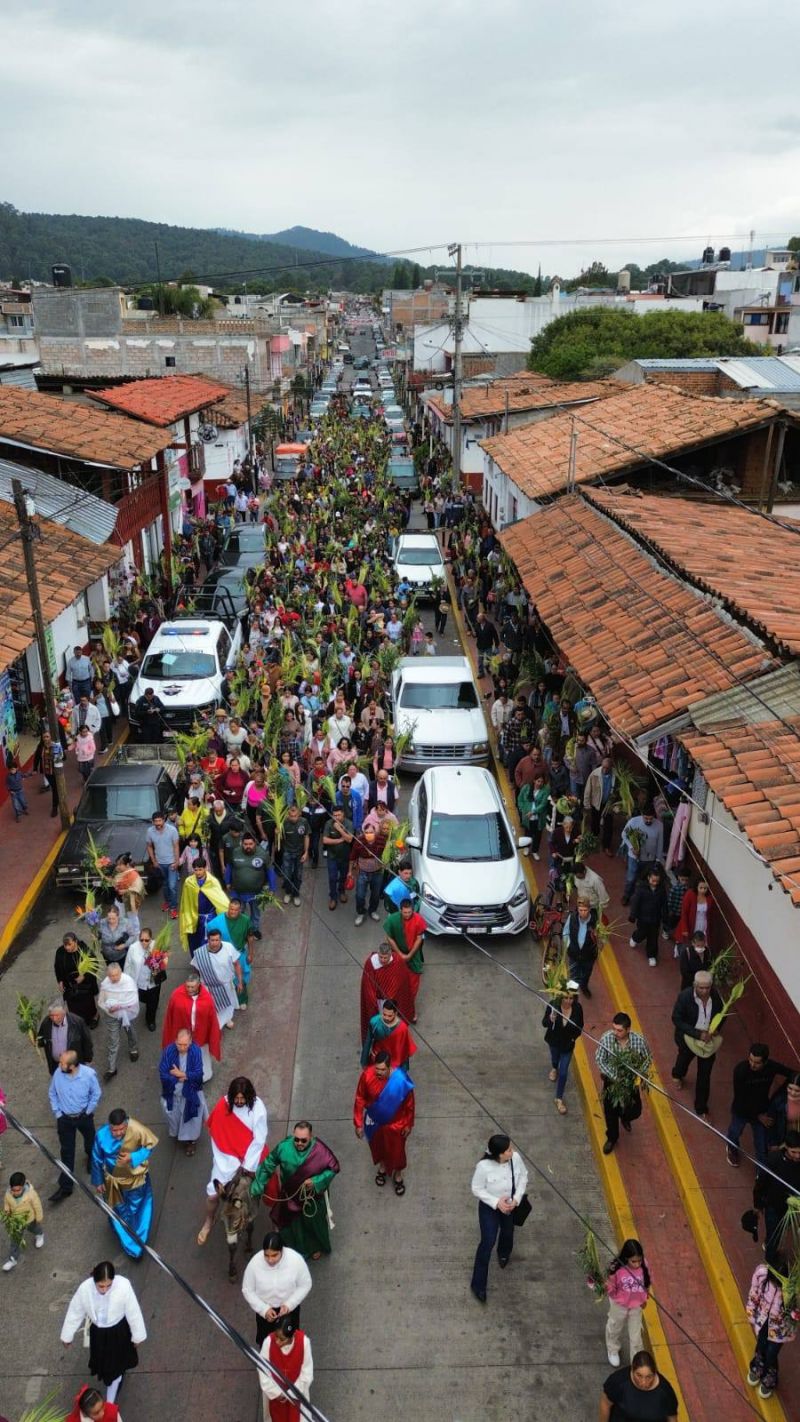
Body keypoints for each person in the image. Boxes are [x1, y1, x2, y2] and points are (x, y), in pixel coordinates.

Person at [251, 1121, 340, 1260]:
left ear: (311, 1136)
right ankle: (299, 1250)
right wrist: (258, 1185)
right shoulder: (283, 1147)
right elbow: (268, 1164)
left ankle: (314, 1247)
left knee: (313, 1226)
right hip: (290, 1197)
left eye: (303, 1140)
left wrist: (316, 1182)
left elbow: (334, 1168)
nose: (299, 1143)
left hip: (311, 1199)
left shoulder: (320, 1150)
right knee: (294, 1227)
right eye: (296, 1139)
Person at [61, 1260, 146, 1404]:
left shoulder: (124, 1286)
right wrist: (67, 1335)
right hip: (98, 1334)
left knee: (115, 1364)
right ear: (94, 1280)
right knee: (106, 1362)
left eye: (108, 1285)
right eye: (101, 1286)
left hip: (119, 1332)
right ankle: (114, 1380)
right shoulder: (85, 1289)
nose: (105, 1290)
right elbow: (75, 1312)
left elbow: (133, 1312)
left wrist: (137, 1336)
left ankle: (110, 1399)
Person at [199, 1076, 269, 1245]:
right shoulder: (223, 1104)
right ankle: (209, 1220)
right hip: (225, 1160)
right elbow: (215, 1132)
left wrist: (246, 1167)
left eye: (242, 1098)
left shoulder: (258, 1108)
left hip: (248, 1160)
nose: (238, 1101)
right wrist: (226, 1158)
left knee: (264, 1189)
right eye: (236, 1098)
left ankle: (275, 1224)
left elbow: (259, 1140)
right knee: (212, 1196)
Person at [90, 1108, 158, 1258]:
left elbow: (150, 1146)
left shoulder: (137, 1129)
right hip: (111, 1182)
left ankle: (136, 1245)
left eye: (122, 1129)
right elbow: (96, 1159)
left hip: (135, 1181)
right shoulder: (101, 1136)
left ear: (126, 1123)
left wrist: (133, 1157)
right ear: (109, 1127)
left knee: (135, 1211)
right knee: (116, 1209)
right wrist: (98, 1180)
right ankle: (120, 1229)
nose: (119, 1133)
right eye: (115, 1130)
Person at [469, 1133, 529, 1303]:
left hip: (511, 1204)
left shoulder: (515, 1158)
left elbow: (523, 1176)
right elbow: (477, 1188)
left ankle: (504, 1253)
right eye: (509, 1150)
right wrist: (496, 1202)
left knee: (508, 1232)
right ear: (499, 1154)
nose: (513, 1151)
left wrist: (516, 1200)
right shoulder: (483, 1167)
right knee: (487, 1242)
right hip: (490, 1208)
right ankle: (478, 1284)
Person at [353, 1049, 415, 1196]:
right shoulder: (367, 1076)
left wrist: (408, 1124)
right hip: (375, 1121)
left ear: (389, 1067)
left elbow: (410, 1105)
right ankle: (382, 1166)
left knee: (398, 1151)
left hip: (396, 1123)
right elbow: (360, 1098)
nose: (379, 1072)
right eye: (377, 1069)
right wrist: (358, 1123)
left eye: (382, 1070)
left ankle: (398, 1174)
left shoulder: (401, 1080)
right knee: (378, 1147)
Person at [726, 1045, 793, 1169]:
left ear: (765, 1062)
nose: (752, 1065)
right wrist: (758, 1116)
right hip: (742, 1110)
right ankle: (732, 1149)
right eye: (750, 1060)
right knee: (734, 1133)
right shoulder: (740, 1070)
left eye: (757, 1063)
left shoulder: (772, 1067)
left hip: (761, 1109)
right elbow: (741, 1098)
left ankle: (760, 1174)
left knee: (761, 1147)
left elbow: (791, 1073)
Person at [47, 1050, 102, 1202]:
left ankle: (92, 1159)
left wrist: (88, 1111)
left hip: (84, 1116)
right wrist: (57, 1113)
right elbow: (52, 1093)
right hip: (64, 1119)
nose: (59, 1065)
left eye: (62, 1063)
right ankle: (66, 1187)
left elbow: (96, 1093)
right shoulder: (59, 1073)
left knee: (91, 1142)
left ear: (71, 1066)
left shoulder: (89, 1075)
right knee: (66, 1152)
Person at [241, 1232, 313, 1346]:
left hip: (289, 1312)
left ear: (282, 1251)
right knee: (266, 1343)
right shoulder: (254, 1264)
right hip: (265, 1314)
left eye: (274, 1255)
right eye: (267, 1255)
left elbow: (305, 1284)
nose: (270, 1260)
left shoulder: (295, 1260)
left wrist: (289, 1304)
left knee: (290, 1342)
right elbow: (247, 1290)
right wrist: (264, 1310)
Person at [596, 1013, 653, 1154]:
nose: (615, 1032)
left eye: (619, 1030)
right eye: (614, 1029)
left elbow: (647, 1058)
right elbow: (599, 1059)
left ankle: (625, 1117)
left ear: (628, 1029)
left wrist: (638, 1073)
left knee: (635, 1110)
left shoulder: (639, 1041)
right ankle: (612, 1138)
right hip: (612, 1081)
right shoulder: (606, 1038)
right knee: (610, 1111)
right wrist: (614, 1075)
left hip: (630, 1082)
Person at [670, 971, 723, 1117]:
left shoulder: (716, 997)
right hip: (689, 1038)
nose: (705, 991)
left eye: (707, 988)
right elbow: (676, 1019)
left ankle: (701, 1108)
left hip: (708, 1040)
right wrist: (698, 1034)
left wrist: (716, 1029)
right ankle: (677, 1074)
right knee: (683, 1060)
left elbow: (721, 1015)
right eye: (701, 988)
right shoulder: (685, 997)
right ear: (695, 985)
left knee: (704, 1076)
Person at [745, 1258, 797, 1400]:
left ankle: (770, 1373)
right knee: (761, 1344)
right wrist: (751, 1311)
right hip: (763, 1320)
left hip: (780, 1330)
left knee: (772, 1352)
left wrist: (794, 1313)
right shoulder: (762, 1275)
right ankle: (759, 1363)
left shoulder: (793, 1291)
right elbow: (754, 1292)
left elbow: (795, 1311)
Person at [161, 973, 222, 1082]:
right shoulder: (176, 995)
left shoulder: (206, 998)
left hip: (200, 1033)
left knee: (201, 1054)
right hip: (183, 1033)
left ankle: (203, 1075)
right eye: (187, 986)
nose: (189, 989)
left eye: (192, 987)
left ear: (198, 985)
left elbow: (211, 1017)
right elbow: (171, 1016)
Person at [158, 1027, 208, 1157]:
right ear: (175, 1041)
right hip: (172, 1092)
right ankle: (178, 1133)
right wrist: (179, 1077)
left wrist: (183, 1074)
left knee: (192, 1118)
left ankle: (191, 1140)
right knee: (172, 1114)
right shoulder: (169, 1051)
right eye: (179, 1044)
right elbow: (163, 1073)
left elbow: (199, 1074)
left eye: (185, 1044)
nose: (182, 1047)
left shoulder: (196, 1051)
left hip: (190, 1091)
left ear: (190, 1042)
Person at [754, 1130, 800, 1265]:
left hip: (791, 1208)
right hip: (773, 1206)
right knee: (774, 1237)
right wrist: (757, 1204)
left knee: (781, 1230)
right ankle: (771, 1265)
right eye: (794, 1152)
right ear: (786, 1148)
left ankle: (770, 1242)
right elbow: (761, 1183)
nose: (797, 1156)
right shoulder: (773, 1160)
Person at [605, 1239, 651, 1367]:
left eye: (639, 1260)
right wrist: (613, 1294)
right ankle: (613, 1349)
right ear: (626, 1258)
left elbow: (647, 1282)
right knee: (614, 1328)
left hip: (636, 1306)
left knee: (636, 1337)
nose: (637, 1264)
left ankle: (636, 1362)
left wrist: (644, 1298)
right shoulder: (616, 1268)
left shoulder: (645, 1266)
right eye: (633, 1261)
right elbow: (610, 1287)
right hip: (619, 1305)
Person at [258, 1319, 314, 1422]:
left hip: (297, 1395)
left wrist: (289, 1394)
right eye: (276, 1336)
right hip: (276, 1396)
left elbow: (307, 1373)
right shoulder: (268, 1342)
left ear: (291, 1337)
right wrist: (277, 1393)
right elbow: (263, 1369)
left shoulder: (304, 1343)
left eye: (282, 1339)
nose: (277, 1341)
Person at [359, 939, 415, 1041]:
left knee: (393, 1021)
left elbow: (402, 979)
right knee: (381, 1019)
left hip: (393, 1001)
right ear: (378, 954)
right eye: (381, 957)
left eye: (385, 957)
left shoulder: (397, 961)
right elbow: (367, 985)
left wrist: (393, 993)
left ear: (390, 955)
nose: (383, 960)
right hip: (379, 1000)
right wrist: (373, 998)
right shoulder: (371, 963)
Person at [599, 1351, 678, 1422]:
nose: (643, 1382)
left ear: (655, 1373)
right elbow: (605, 1403)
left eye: (649, 1377)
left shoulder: (665, 1391)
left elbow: (672, 1418)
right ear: (632, 1369)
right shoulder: (618, 1381)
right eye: (639, 1375)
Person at [542, 984, 583, 1114]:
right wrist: (550, 1019)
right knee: (555, 1060)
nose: (568, 1001)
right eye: (566, 997)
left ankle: (559, 1098)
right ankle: (554, 1068)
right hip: (554, 1042)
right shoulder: (553, 1005)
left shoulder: (577, 1009)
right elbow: (544, 1023)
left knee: (564, 1072)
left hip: (567, 1046)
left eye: (571, 998)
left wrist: (573, 1038)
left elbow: (580, 1026)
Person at [191, 926, 242, 1031]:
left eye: (217, 940)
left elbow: (237, 965)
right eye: (212, 940)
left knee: (228, 1004)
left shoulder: (228, 947)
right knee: (212, 1007)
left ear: (221, 939)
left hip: (226, 984)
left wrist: (240, 982)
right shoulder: (200, 953)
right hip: (208, 986)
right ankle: (215, 1024)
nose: (214, 943)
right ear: (208, 940)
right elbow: (196, 968)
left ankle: (227, 1019)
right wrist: (196, 984)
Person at [383, 898, 425, 1019]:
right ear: (400, 910)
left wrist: (410, 955)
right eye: (405, 912)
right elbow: (389, 937)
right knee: (395, 983)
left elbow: (419, 938)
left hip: (414, 955)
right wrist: (400, 954)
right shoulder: (392, 919)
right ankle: (396, 1008)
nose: (407, 915)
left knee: (413, 986)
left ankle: (409, 1010)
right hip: (397, 954)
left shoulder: (418, 919)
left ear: (413, 910)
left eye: (409, 912)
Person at [97, 962, 139, 1082]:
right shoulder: (105, 985)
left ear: (121, 973)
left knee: (130, 1031)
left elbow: (133, 1000)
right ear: (107, 975)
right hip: (112, 1016)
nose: (114, 978)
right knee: (113, 1041)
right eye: (111, 976)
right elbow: (101, 1002)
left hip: (127, 1014)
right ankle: (111, 1068)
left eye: (116, 975)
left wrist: (120, 1006)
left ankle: (133, 1049)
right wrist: (109, 1008)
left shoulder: (129, 982)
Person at [179, 857, 230, 954]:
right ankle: (197, 962)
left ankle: (210, 962)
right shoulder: (189, 882)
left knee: (211, 941)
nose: (198, 872)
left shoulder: (212, 881)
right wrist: (186, 915)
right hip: (194, 917)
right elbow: (185, 901)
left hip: (210, 917)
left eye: (200, 869)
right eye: (196, 870)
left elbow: (220, 899)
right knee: (194, 942)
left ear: (205, 868)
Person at [228, 830, 270, 936]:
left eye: (250, 844)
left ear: (255, 843)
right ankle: (239, 930)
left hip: (256, 891)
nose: (248, 846)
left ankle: (254, 929)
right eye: (245, 844)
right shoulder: (235, 852)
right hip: (238, 891)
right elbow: (229, 867)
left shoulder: (263, 853)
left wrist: (272, 888)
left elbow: (270, 871)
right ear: (242, 843)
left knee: (256, 912)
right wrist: (227, 882)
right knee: (238, 912)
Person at [36, 997, 93, 1075]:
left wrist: (88, 1061)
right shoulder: (46, 1023)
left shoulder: (77, 1022)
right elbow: (41, 1040)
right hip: (56, 1065)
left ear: (64, 1011)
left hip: (72, 1066)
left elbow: (87, 1042)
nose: (54, 1019)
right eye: (51, 1015)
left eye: (57, 1015)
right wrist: (36, 1041)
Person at [620, 808, 664, 904]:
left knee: (646, 880)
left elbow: (660, 843)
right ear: (642, 815)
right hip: (634, 857)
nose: (648, 821)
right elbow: (624, 834)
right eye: (646, 818)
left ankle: (643, 898)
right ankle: (627, 895)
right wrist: (632, 848)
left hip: (650, 859)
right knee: (631, 878)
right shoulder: (633, 821)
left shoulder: (659, 826)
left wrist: (658, 859)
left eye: (651, 819)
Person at [55, 931, 99, 1026]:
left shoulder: (84, 950)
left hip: (85, 985)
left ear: (75, 941)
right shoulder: (60, 952)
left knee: (88, 1005)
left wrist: (83, 976)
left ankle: (94, 1016)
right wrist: (60, 981)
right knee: (74, 1007)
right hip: (70, 985)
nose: (67, 948)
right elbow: (57, 967)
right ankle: (78, 1021)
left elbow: (95, 965)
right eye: (65, 945)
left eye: (69, 945)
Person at [2, 1171, 44, 1271]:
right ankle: (13, 1259)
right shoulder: (8, 1194)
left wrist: (39, 1217)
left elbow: (37, 1206)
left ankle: (40, 1235)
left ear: (24, 1185)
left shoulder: (31, 1194)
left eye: (18, 1190)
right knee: (15, 1240)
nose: (15, 1192)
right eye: (13, 1190)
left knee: (35, 1228)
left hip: (29, 1219)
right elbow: (6, 1203)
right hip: (16, 1222)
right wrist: (7, 1211)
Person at [361, 999, 417, 1071]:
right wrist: (364, 1062)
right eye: (384, 1014)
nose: (386, 1018)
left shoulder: (402, 1028)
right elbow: (367, 1042)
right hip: (377, 1061)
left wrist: (404, 1071)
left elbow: (404, 1051)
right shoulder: (374, 1022)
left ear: (396, 1013)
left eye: (389, 1015)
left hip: (394, 1066)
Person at [628, 868, 668, 968]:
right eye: (653, 880)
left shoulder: (662, 891)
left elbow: (664, 905)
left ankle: (652, 955)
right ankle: (635, 937)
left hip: (655, 919)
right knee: (642, 932)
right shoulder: (641, 889)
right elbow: (635, 903)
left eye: (657, 881)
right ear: (648, 878)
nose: (655, 883)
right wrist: (633, 915)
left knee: (653, 937)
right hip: (643, 918)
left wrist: (665, 916)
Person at [145, 810, 180, 918]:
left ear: (164, 820)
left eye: (160, 821)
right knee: (164, 885)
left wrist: (177, 861)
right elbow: (149, 846)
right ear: (152, 822)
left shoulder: (172, 830)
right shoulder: (150, 831)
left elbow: (176, 846)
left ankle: (173, 908)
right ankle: (168, 902)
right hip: (159, 864)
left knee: (172, 886)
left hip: (171, 863)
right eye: (155, 821)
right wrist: (154, 861)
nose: (158, 823)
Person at [562, 898, 599, 997]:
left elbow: (602, 939)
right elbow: (565, 932)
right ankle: (572, 993)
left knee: (586, 973)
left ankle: (584, 986)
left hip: (589, 956)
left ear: (589, 909)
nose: (583, 913)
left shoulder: (595, 921)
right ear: (577, 909)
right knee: (573, 975)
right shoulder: (572, 918)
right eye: (580, 910)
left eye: (585, 910)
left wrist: (598, 938)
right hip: (574, 954)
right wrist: (568, 945)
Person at [322, 805, 353, 910]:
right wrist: (339, 840)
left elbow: (349, 839)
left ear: (343, 814)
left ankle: (342, 891)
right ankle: (333, 897)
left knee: (343, 877)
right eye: (334, 815)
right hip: (332, 857)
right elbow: (325, 840)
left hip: (345, 856)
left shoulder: (348, 823)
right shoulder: (328, 823)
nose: (336, 817)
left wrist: (340, 829)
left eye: (339, 815)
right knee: (332, 878)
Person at [352, 823, 384, 925]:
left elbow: (387, 854)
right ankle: (361, 912)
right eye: (366, 832)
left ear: (375, 832)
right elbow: (352, 857)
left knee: (375, 894)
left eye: (371, 832)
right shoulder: (359, 841)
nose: (369, 834)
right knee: (360, 895)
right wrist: (350, 872)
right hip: (363, 873)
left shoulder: (381, 841)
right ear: (363, 833)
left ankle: (372, 910)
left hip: (377, 872)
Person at [584, 756, 616, 853]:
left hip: (608, 804)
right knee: (595, 823)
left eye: (607, 768)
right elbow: (588, 790)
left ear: (611, 767)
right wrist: (587, 804)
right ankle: (593, 841)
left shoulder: (616, 775)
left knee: (609, 826)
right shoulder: (594, 774)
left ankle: (606, 846)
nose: (605, 770)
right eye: (604, 767)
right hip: (596, 803)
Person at [281, 802, 310, 907]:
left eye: (295, 816)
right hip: (287, 852)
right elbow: (279, 839)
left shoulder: (304, 822)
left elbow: (306, 836)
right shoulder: (283, 823)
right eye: (291, 816)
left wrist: (306, 852)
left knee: (298, 875)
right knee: (287, 874)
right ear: (288, 815)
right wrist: (277, 833)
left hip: (299, 853)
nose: (293, 818)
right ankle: (288, 893)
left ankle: (296, 894)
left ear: (299, 814)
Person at [675, 878, 714, 949]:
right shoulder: (690, 894)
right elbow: (684, 913)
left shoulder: (709, 898)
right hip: (691, 922)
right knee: (689, 943)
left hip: (703, 924)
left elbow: (709, 914)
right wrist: (684, 928)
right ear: (696, 887)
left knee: (700, 942)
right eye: (701, 888)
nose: (703, 890)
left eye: (705, 888)